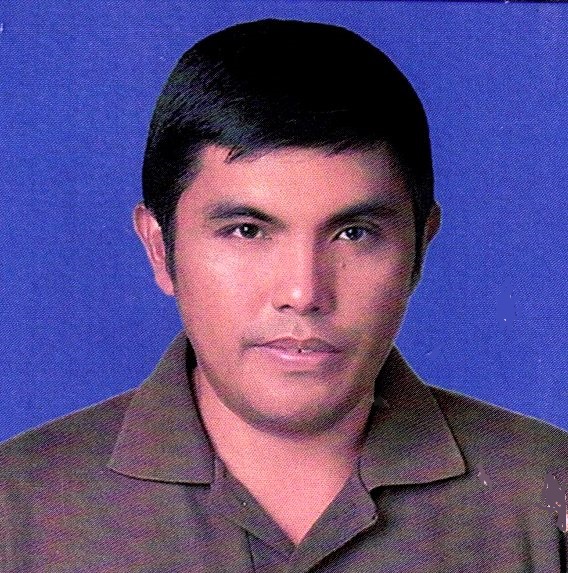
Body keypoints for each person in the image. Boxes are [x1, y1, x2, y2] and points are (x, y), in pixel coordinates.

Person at [1, 18, 566, 572]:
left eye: (354, 233)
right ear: (159, 248)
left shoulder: (547, 491)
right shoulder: (17, 507)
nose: (303, 292)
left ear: (421, 247)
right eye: (246, 231)